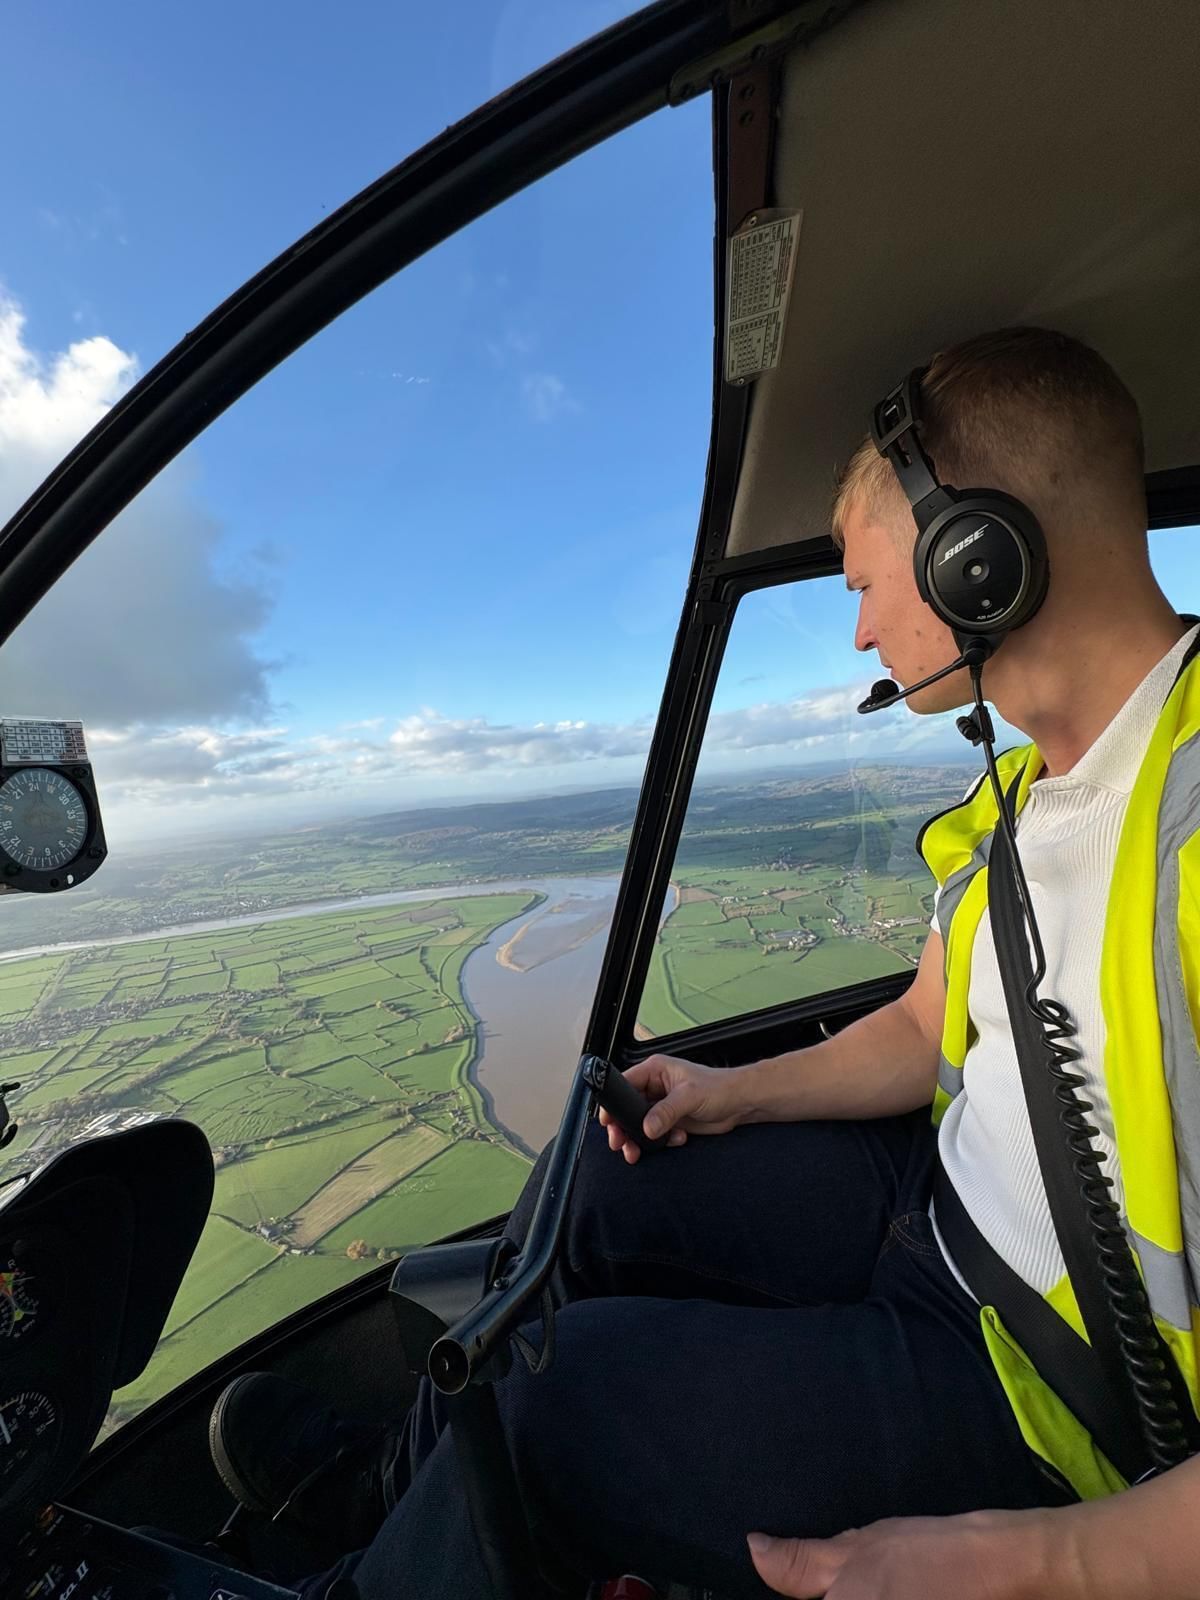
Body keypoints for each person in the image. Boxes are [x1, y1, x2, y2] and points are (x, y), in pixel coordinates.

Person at [209, 326, 1200, 1599]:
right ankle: (384, 1499)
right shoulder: (1025, 800)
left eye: (860, 582)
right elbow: (919, 1023)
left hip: (1052, 1400)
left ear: (979, 552)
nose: (855, 635)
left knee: (553, 1414)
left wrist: (1055, 1559)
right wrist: (730, 1092)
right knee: (594, 1172)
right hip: (931, 1214)